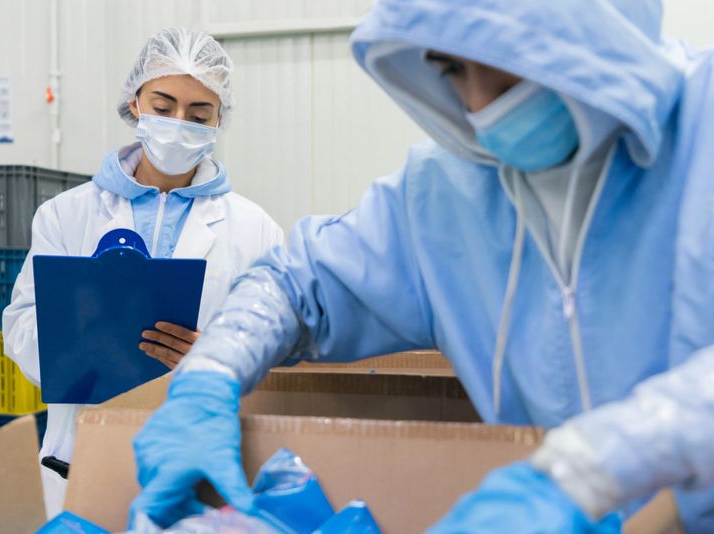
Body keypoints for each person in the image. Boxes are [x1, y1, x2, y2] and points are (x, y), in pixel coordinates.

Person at [130, 1, 714, 532]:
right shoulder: (446, 196)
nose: (482, 105)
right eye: (454, 68)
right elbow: (295, 285)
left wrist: (586, 472)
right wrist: (208, 378)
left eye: (505, 60)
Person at [2, 27, 284, 519]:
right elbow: (20, 326)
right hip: (83, 454)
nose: (179, 123)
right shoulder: (65, 216)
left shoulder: (255, 229)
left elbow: (279, 348)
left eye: (199, 114)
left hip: (196, 462)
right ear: (135, 102)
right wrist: (81, 343)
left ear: (219, 119)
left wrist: (217, 357)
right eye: (163, 103)